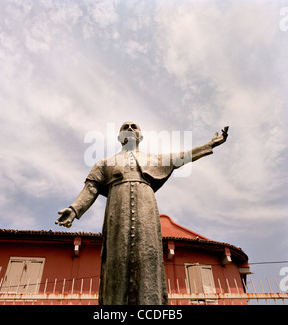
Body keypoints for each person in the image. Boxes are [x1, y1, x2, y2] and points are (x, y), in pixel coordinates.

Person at [55, 122, 228, 305]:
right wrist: (74, 209)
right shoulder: (104, 163)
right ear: (119, 137)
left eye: (134, 127)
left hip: (146, 207)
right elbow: (91, 188)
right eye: (125, 127)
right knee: (116, 260)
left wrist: (210, 144)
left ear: (140, 137)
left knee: (148, 258)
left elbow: (183, 156)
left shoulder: (153, 160)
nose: (129, 128)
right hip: (117, 209)